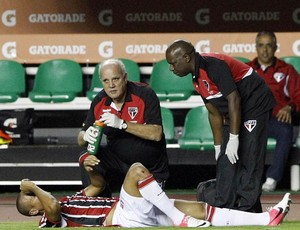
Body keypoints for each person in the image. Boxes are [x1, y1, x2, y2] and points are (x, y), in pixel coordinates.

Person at [16, 158, 291, 228]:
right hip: (122, 217)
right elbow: (50, 205)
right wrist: (31, 186)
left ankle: (266, 219)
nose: (35, 195)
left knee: (199, 209)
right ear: (33, 210)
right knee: (137, 170)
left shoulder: (70, 201)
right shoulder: (48, 219)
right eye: (31, 198)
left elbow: (98, 184)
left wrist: (88, 165)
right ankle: (178, 219)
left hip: (135, 212)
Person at [166, 40, 276, 213]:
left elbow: (234, 99)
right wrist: (218, 146)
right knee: (226, 160)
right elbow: (214, 112)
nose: (171, 68)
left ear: (186, 57)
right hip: (234, 111)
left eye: (173, 63)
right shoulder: (196, 79)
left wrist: (234, 138)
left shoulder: (214, 66)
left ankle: (248, 210)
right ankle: (224, 204)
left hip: (255, 104)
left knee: (250, 156)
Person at [77, 58, 169, 195]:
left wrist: (122, 123)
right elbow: (80, 139)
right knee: (87, 157)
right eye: (106, 81)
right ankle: (98, 205)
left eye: (115, 79)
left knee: (142, 214)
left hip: (149, 167)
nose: (111, 85)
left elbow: (156, 134)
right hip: (118, 164)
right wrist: (85, 135)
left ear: (125, 78)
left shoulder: (145, 94)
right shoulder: (99, 101)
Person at [247, 31, 300, 192]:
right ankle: (248, 180)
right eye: (261, 45)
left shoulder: (287, 70)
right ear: (256, 47)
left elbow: (298, 95)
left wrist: (289, 107)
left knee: (285, 130)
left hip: (276, 119)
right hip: (253, 119)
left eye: (269, 45)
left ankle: (271, 179)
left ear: (275, 47)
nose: (265, 50)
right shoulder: (246, 70)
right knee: (241, 132)